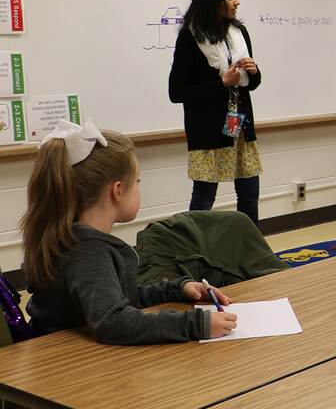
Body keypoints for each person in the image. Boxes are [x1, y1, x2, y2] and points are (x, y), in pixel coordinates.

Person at [21, 120, 237, 344]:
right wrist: (195, 324)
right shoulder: (88, 252)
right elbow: (114, 321)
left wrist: (176, 290)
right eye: (137, 181)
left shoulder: (74, 239)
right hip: (63, 364)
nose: (138, 186)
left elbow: (119, 298)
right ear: (118, 190)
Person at [168, 0, 262, 226]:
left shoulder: (238, 32)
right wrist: (221, 83)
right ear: (214, 2)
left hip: (240, 128)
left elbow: (250, 83)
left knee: (250, 196)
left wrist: (253, 72)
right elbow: (177, 92)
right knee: (203, 200)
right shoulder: (190, 38)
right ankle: (194, 251)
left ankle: (250, 251)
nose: (237, 2)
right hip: (208, 133)